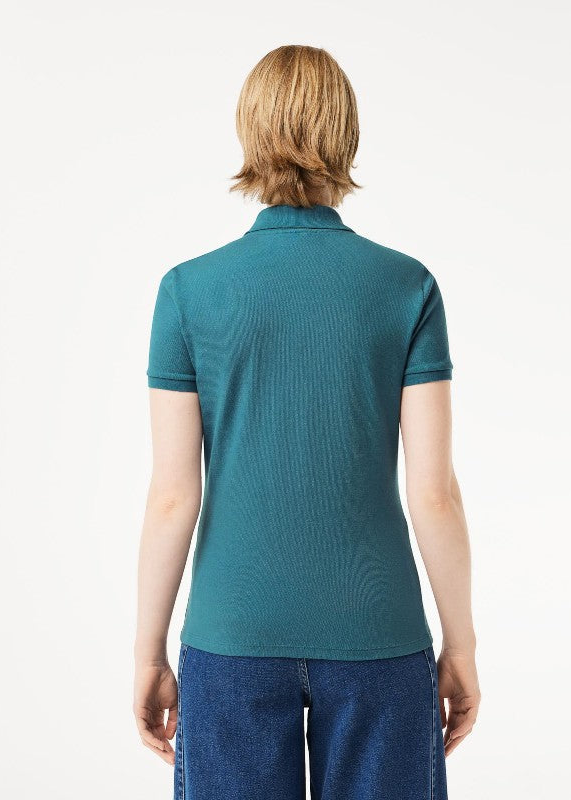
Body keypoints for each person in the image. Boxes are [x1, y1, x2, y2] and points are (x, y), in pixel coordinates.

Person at [133, 45, 480, 800]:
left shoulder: (188, 292)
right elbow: (434, 494)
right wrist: (462, 644)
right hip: (379, 633)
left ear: (249, 132)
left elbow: (172, 497)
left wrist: (148, 652)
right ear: (346, 133)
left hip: (232, 635)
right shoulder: (407, 287)